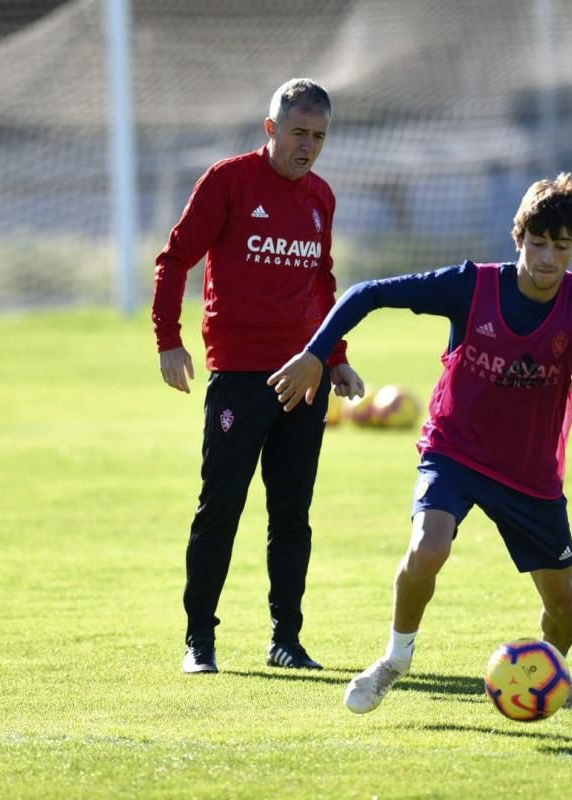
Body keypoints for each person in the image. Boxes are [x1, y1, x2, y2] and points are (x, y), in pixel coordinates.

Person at [269, 174, 572, 713]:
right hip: (456, 450)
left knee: (565, 605)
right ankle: (395, 659)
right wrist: (316, 353)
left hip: (529, 472)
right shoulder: (472, 286)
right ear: (518, 238)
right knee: (428, 546)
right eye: (537, 243)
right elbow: (367, 294)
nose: (547, 258)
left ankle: (548, 674)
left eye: (560, 247)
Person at [153, 78, 364, 674]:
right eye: (298, 133)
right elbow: (175, 259)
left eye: (319, 136)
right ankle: (200, 640)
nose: (308, 147)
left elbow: (321, 283)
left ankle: (286, 640)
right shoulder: (228, 181)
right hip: (241, 377)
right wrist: (168, 340)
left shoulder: (322, 196)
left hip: (305, 376)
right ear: (271, 129)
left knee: (292, 513)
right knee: (220, 506)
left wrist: (336, 355)